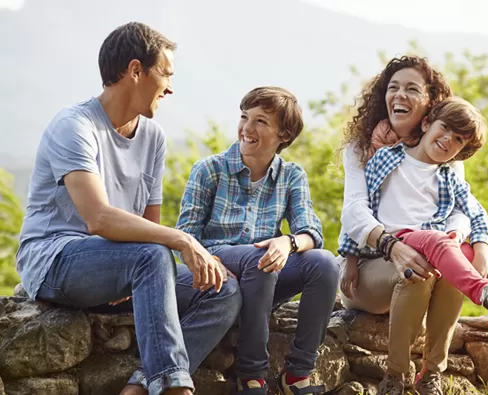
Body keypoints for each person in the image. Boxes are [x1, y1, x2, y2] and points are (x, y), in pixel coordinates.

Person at [15, 22, 240, 395]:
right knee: (151, 256)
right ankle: (173, 389)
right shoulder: (74, 126)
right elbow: (98, 218)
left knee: (221, 289)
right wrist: (182, 240)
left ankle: (139, 385)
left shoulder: (153, 137)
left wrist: (132, 266)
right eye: (165, 74)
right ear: (135, 70)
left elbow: (146, 227)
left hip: (125, 265)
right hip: (55, 260)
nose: (170, 87)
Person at [341, 97, 488, 395]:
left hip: (439, 245)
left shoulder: (448, 177)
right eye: (445, 130)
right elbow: (358, 210)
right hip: (397, 242)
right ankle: (481, 294)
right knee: (438, 241)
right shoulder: (388, 159)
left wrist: (481, 250)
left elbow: (476, 213)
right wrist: (350, 255)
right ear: (427, 123)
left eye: (458, 140)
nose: (448, 141)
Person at [176, 86, 339, 395]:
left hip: (264, 275)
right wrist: (214, 266)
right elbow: (186, 238)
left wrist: (287, 243)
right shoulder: (209, 170)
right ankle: (251, 375)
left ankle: (298, 375)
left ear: (284, 135)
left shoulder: (291, 176)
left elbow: (311, 232)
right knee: (260, 258)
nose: (247, 128)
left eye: (261, 121)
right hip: (213, 268)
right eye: (244, 116)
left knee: (325, 263)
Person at [338, 55, 470, 395]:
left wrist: (453, 237)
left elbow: (461, 210)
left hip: (429, 249)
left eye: (412, 89)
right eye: (393, 88)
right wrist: (391, 246)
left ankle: (430, 375)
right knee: (415, 269)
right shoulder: (362, 149)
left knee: (453, 267)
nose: (399, 95)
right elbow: (353, 211)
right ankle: (394, 380)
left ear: (430, 104)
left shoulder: (445, 153)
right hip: (369, 267)